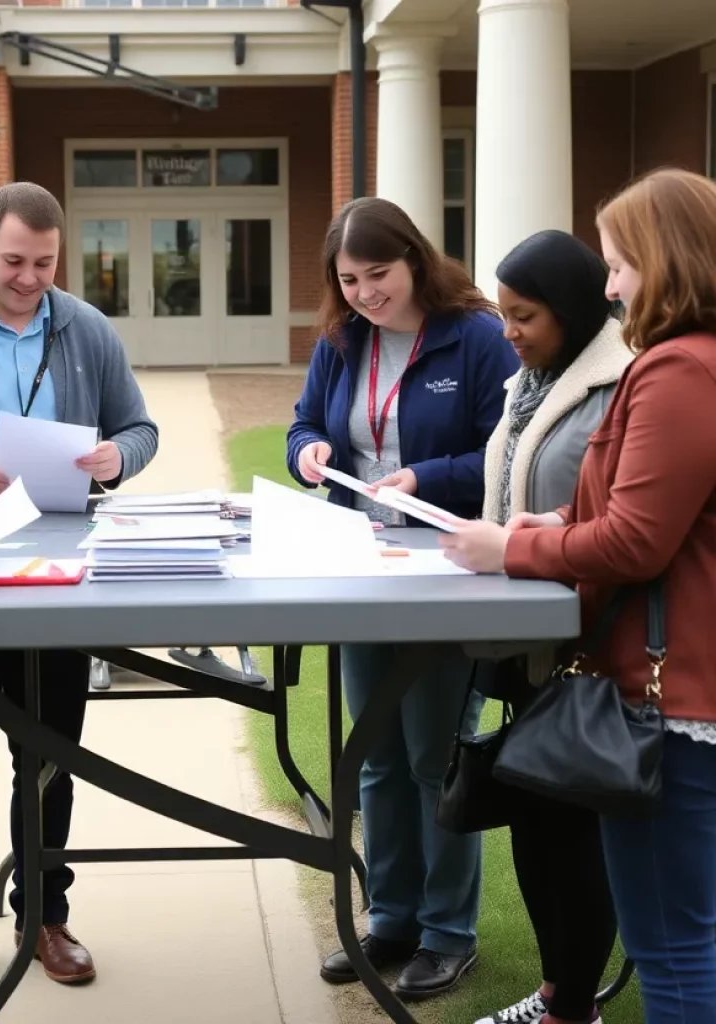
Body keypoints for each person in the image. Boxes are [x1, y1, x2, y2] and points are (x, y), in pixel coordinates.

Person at [442, 167, 716, 1024]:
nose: (611, 284)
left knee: (672, 945)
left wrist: (515, 543)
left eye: (621, 262)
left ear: (666, 260)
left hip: (668, 700)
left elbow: (637, 540)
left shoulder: (678, 370)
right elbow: (639, 507)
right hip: (674, 695)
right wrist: (562, 519)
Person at [0, 181, 158, 994]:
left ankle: (46, 915)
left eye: (44, 262)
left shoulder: (87, 328)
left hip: (61, 571)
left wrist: (120, 458)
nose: (29, 277)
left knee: (48, 755)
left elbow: (140, 428)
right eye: (13, 260)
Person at [287, 197, 518, 1000]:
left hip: (447, 563)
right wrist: (308, 450)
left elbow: (502, 450)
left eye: (377, 274)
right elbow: (303, 424)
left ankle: (448, 933)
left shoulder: (477, 338)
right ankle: (390, 918)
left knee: (435, 757)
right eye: (348, 279)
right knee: (375, 756)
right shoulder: (341, 339)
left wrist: (426, 477)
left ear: (415, 260)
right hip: (358, 561)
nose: (363, 293)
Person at [473, 230, 632, 1024]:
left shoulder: (620, 385)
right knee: (536, 826)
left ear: (570, 310)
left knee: (577, 838)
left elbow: (619, 522)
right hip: (530, 644)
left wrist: (517, 546)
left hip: (592, 653)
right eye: (503, 314)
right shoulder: (531, 381)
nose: (509, 330)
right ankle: (554, 994)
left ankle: (574, 1005)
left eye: (523, 314)